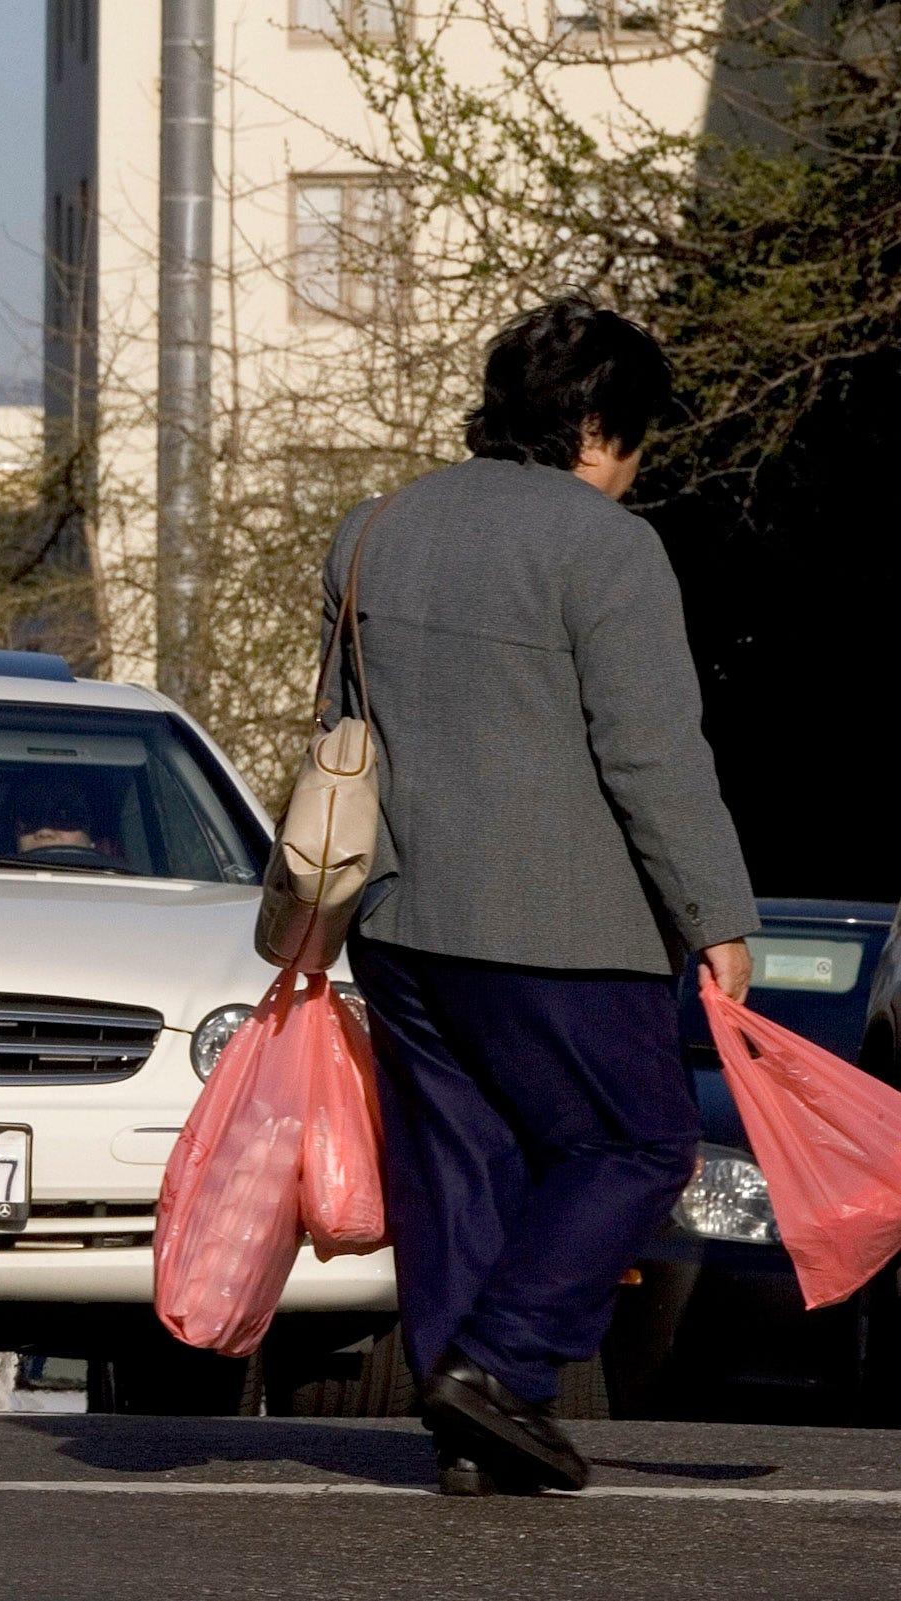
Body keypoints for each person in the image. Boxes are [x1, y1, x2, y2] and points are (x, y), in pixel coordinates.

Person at [321, 296, 756, 1496]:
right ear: (602, 426)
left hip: (400, 915)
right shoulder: (606, 548)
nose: (634, 467)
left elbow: (338, 731)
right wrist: (719, 912)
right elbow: (651, 752)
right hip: (563, 927)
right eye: (637, 439)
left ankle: (467, 1417)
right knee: (639, 1138)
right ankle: (502, 1369)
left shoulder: (373, 529)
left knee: (458, 1158)